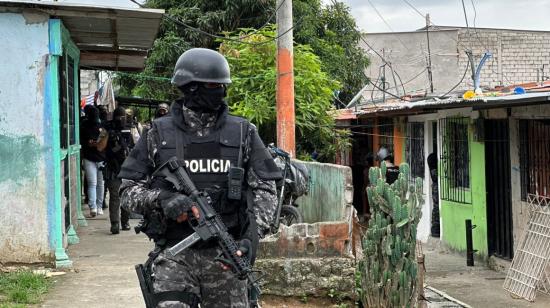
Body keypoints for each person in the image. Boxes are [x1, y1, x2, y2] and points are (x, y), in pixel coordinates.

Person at [118, 48, 281, 307]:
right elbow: (127, 192)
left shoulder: (243, 133)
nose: (219, 91)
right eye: (211, 85)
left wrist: (252, 237)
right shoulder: (158, 134)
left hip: (226, 259)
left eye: (221, 86)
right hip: (174, 257)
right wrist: (162, 199)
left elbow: (266, 190)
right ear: (189, 87)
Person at [104, 107, 134, 234]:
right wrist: (108, 135)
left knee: (126, 196)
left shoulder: (129, 130)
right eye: (119, 117)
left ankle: (125, 221)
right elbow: (101, 148)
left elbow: (135, 149)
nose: (120, 120)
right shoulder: (108, 130)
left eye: (123, 118)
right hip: (112, 167)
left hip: (126, 168)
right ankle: (115, 223)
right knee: (115, 196)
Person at [80, 105, 108, 217]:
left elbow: (101, 143)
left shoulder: (85, 126)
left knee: (96, 184)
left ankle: (96, 207)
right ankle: (96, 207)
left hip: (95, 159)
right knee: (97, 184)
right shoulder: (100, 126)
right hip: (94, 158)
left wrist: (94, 144)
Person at [427, 152, 440, 237]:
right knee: (436, 207)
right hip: (436, 186)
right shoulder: (433, 159)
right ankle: (436, 228)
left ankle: (435, 228)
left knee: (436, 207)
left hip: (435, 186)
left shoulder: (431, 158)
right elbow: (435, 176)